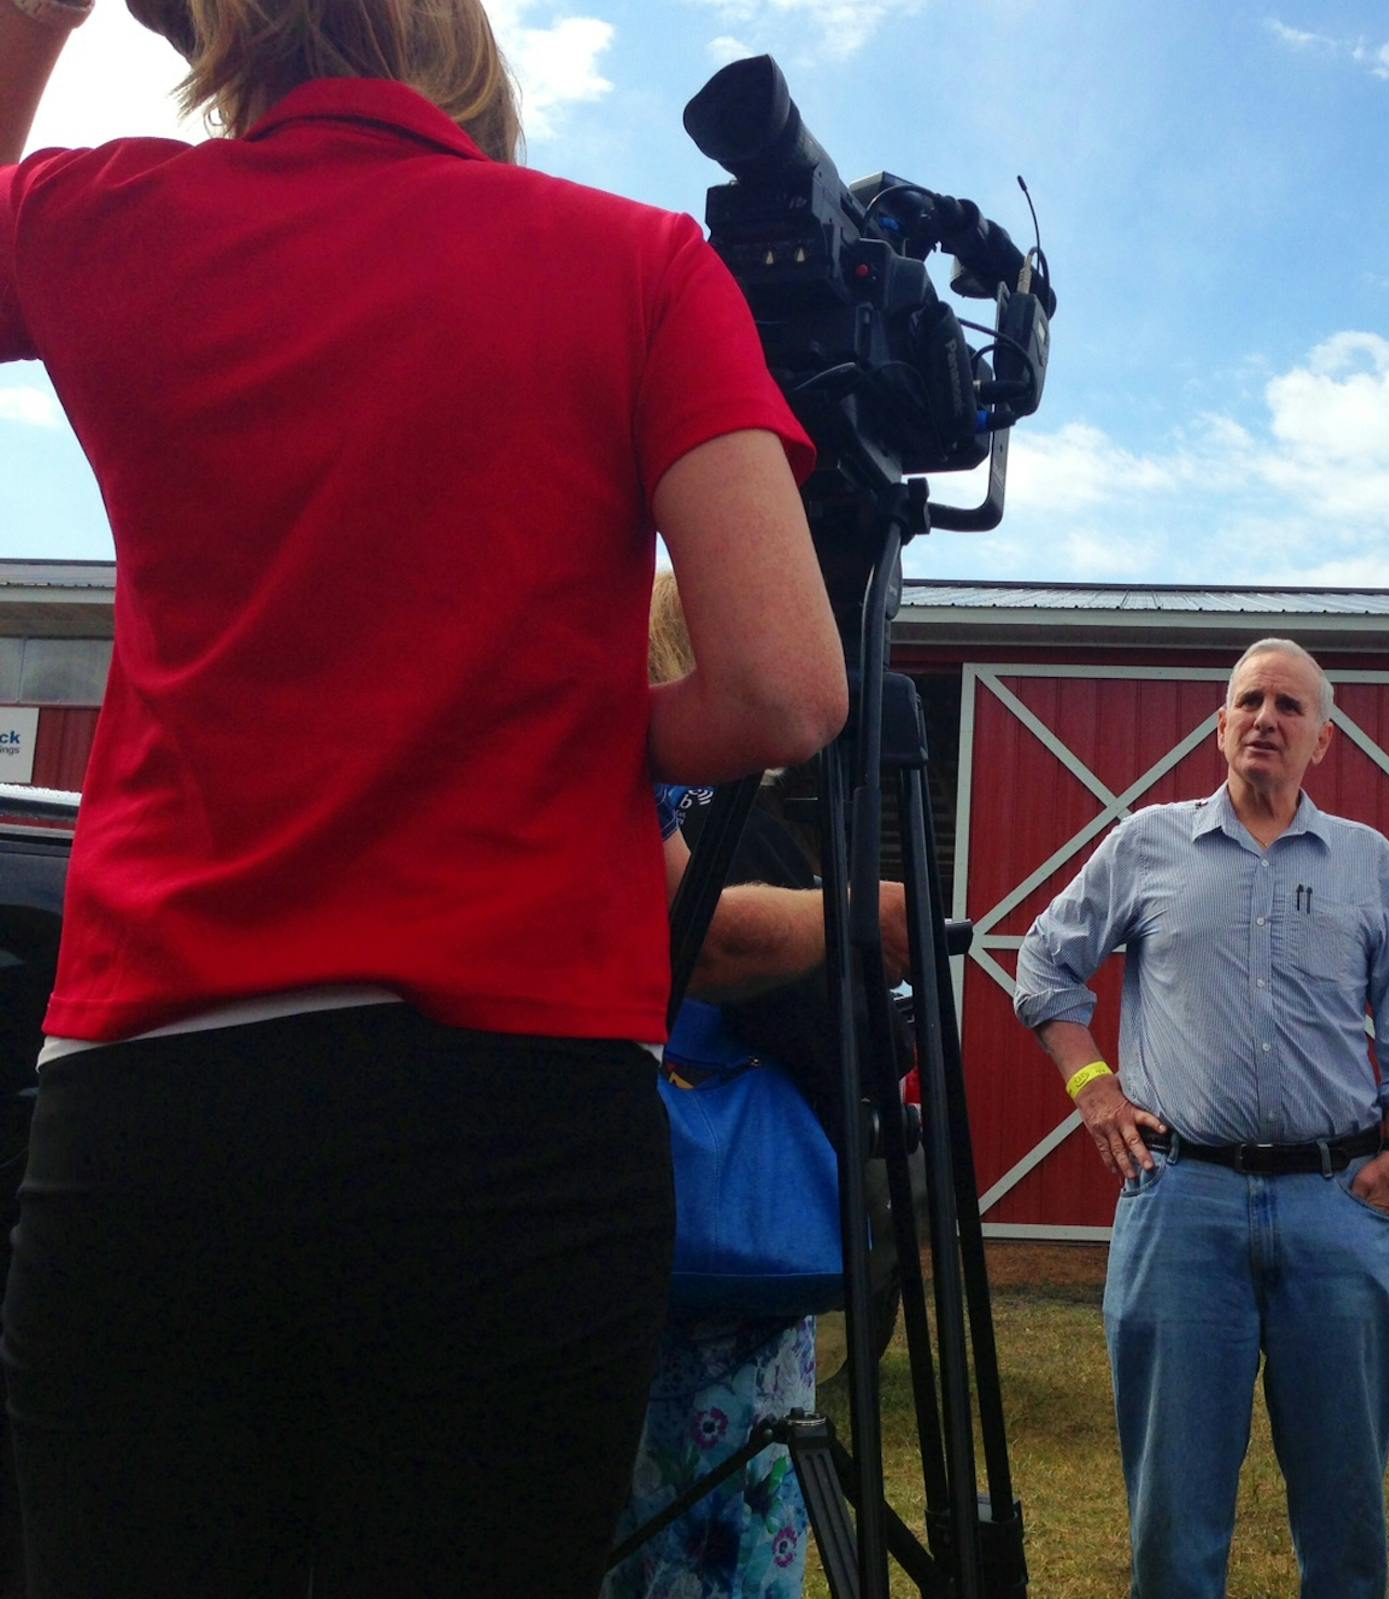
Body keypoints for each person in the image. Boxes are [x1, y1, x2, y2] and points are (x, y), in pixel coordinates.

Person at [0, 4, 847, 1594]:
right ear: (460, 57)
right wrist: (560, 723)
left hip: (158, 1118)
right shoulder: (639, 262)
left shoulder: (102, 219)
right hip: (512, 1132)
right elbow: (786, 686)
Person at [1013, 637, 1389, 1599]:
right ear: (1220, 726)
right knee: (1174, 1515)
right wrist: (1091, 1082)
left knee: (1346, 1516)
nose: (1266, 717)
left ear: (1322, 740)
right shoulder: (1147, 844)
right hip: (1181, 1203)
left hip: (1336, 1209)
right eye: (1249, 700)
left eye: (1290, 705)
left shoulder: (1369, 864)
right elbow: (1043, 966)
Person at [605, 573, 906, 1599]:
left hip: (578, 1249)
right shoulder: (724, 824)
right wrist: (862, 929)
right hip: (721, 1277)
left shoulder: (591, 774)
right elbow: (759, 982)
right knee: (716, 1538)